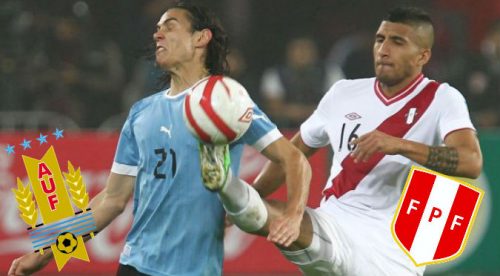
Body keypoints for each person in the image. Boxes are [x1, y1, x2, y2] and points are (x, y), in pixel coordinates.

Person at [8, 3, 311, 276]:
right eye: (156, 29)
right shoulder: (142, 113)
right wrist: (47, 253)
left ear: (200, 38)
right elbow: (111, 201)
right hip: (135, 267)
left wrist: (294, 215)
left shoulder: (226, 102)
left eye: (170, 26)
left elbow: (294, 158)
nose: (158, 34)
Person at [200, 6, 483, 275]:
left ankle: (233, 192)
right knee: (269, 216)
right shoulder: (343, 94)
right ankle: (227, 186)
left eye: (397, 42)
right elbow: (292, 152)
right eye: (380, 39)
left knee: (276, 221)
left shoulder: (442, 98)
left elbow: (471, 163)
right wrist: (253, 197)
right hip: (334, 224)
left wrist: (399, 144)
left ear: (423, 55)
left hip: (393, 250)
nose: (384, 49)